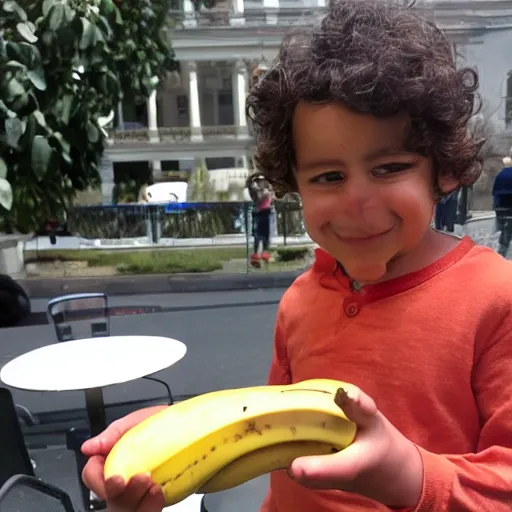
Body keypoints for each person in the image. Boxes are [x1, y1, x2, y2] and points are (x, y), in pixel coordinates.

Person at [80, 1, 512, 511]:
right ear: (294, 184)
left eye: (390, 167)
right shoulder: (301, 300)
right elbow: (273, 439)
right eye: (328, 176)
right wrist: (175, 441)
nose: (357, 201)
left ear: (441, 170)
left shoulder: (495, 299)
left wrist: (409, 475)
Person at [247, 174, 274, 267]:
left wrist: (268, 192)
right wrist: (262, 192)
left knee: (266, 234)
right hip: (259, 213)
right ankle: (256, 255)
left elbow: (271, 198)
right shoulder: (255, 191)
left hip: (266, 212)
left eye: (262, 181)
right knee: (258, 235)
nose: (261, 182)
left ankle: (264, 253)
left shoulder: (267, 190)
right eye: (259, 181)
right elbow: (258, 199)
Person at [492, 156, 512, 257]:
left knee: (505, 230)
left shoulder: (500, 175)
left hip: (502, 208)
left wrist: (496, 208)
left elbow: (495, 193)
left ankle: (502, 251)